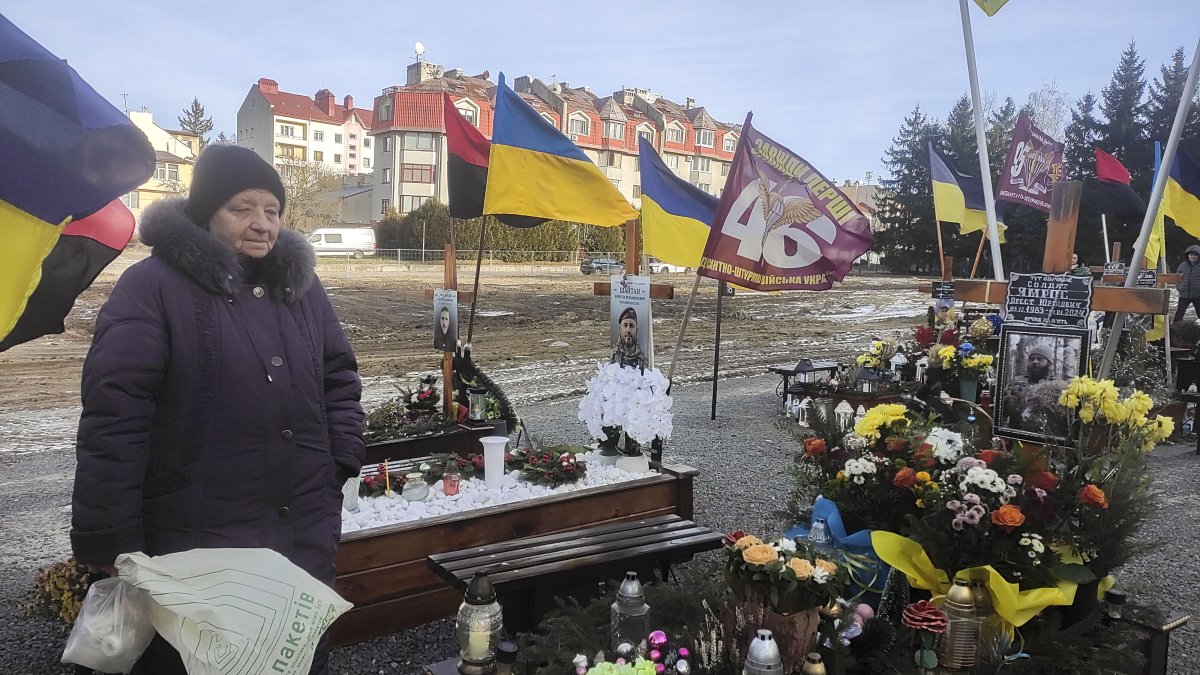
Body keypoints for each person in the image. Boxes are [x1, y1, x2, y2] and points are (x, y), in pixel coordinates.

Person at [70, 145, 364, 675]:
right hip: (196, 539)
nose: (261, 224)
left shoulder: (300, 290)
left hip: (301, 529)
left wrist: (338, 461)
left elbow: (339, 377)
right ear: (207, 212)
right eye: (242, 209)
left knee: (290, 655)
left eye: (272, 211)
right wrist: (109, 539)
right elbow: (115, 417)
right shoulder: (152, 288)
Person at [1001, 345, 1055, 430]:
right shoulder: (1017, 382)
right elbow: (1003, 411)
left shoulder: (1056, 386)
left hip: (1045, 436)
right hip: (1016, 433)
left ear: (1049, 362)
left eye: (1039, 359)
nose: (1035, 362)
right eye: (1032, 359)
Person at [1175, 245, 1200, 322]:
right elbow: (1177, 278)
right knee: (1179, 314)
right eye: (1191, 254)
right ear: (1187, 255)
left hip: (1198, 295)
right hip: (1184, 295)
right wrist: (1179, 287)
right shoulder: (1183, 266)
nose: (1193, 256)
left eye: (1195, 255)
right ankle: (1175, 330)